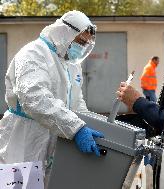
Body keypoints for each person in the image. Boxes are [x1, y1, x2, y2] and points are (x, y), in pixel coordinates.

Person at [0, 10, 104, 185]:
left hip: (56, 141)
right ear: (64, 32)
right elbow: (34, 98)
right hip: (24, 139)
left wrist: (103, 130)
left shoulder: (71, 65)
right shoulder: (33, 54)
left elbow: (77, 105)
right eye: (80, 41)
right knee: (20, 186)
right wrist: (75, 128)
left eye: (86, 43)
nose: (82, 47)